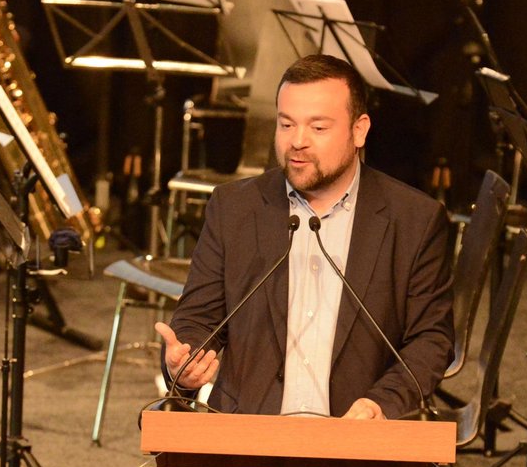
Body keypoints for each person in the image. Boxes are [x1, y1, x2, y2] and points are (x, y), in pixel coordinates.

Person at [155, 54, 454, 420]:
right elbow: (199, 318)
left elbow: (431, 339)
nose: (297, 141)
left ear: (359, 130)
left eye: (318, 127)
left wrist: (383, 403)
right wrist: (185, 362)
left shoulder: (413, 219)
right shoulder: (235, 208)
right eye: (286, 124)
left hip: (354, 436)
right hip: (248, 433)